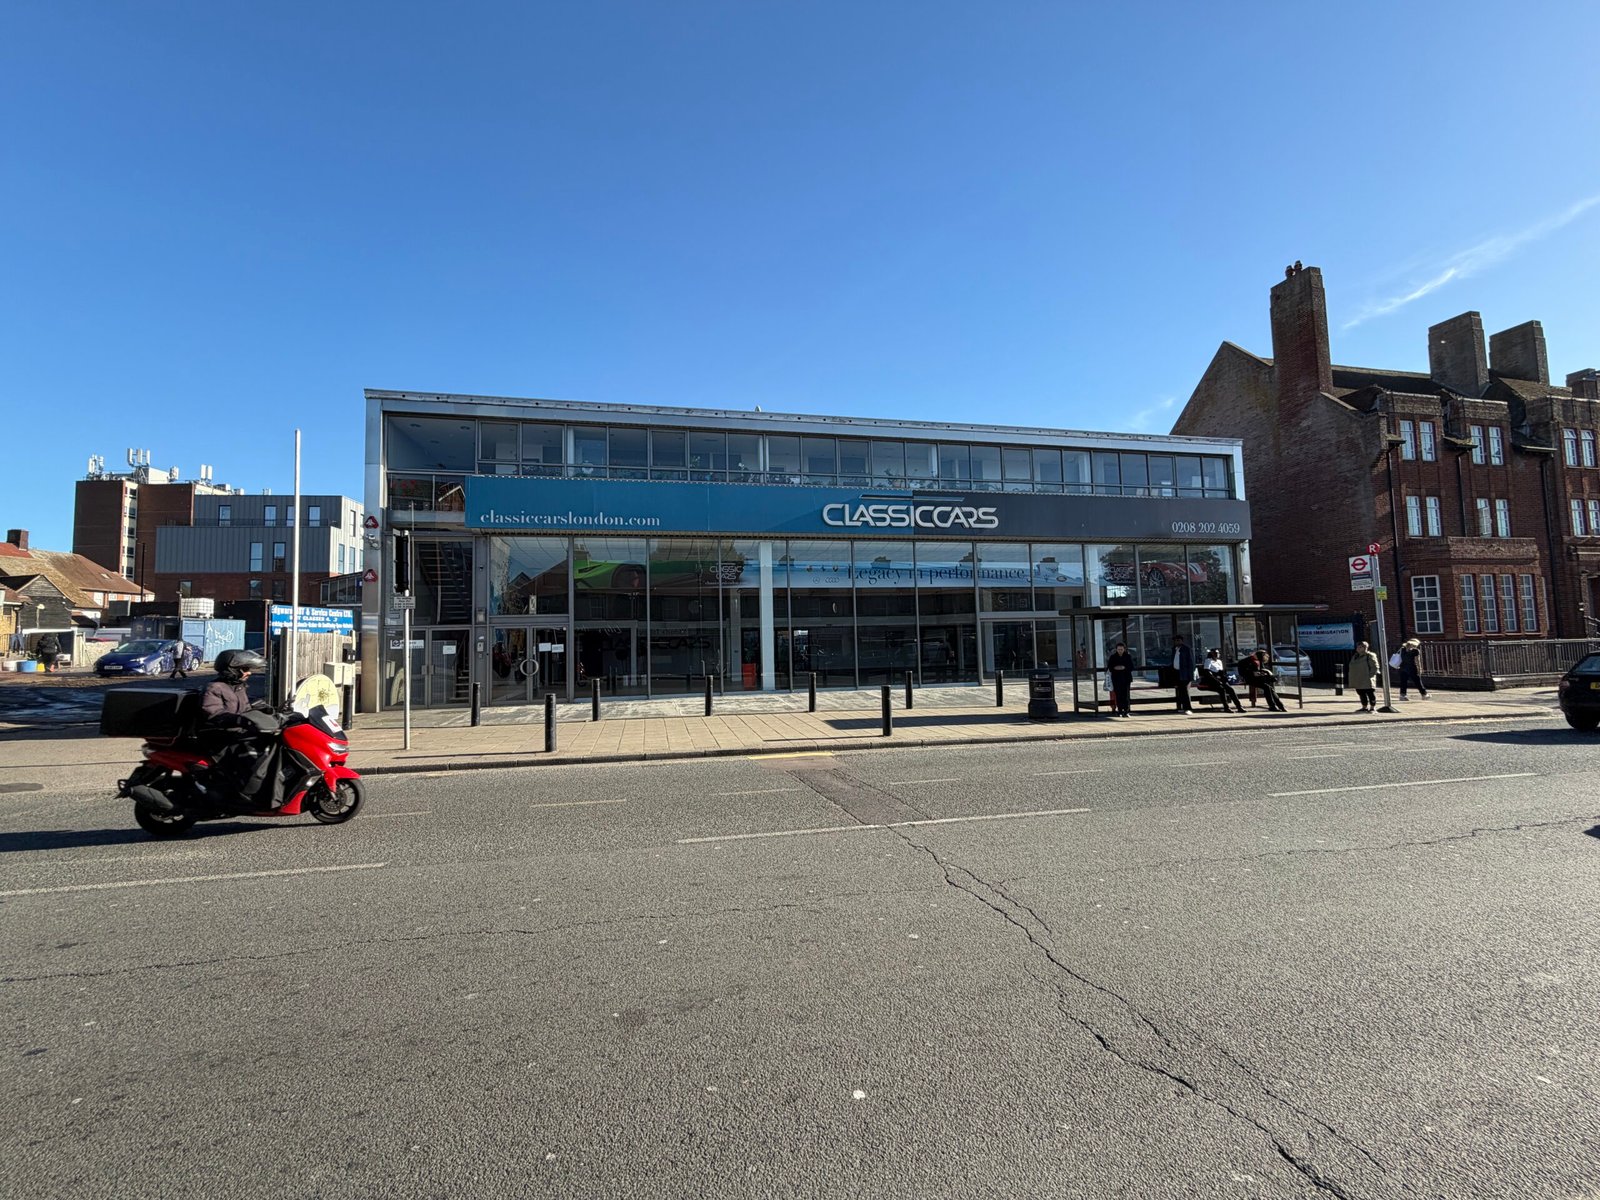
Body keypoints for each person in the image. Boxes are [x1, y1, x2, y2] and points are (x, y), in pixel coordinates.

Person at [1199, 647, 1246, 713]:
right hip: (1212, 680)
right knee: (1221, 689)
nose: (1217, 654)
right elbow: (1207, 672)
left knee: (1231, 689)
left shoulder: (1219, 661)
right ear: (1212, 654)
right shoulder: (1208, 660)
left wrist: (1225, 678)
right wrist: (1217, 680)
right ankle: (1226, 707)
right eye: (1215, 653)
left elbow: (1221, 672)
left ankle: (1239, 707)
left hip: (1220, 679)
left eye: (1218, 653)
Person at [1348, 640, 1381, 713]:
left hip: (1367, 678)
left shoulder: (1370, 655)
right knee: (1360, 692)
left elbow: (1375, 667)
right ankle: (1364, 707)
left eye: (1360, 647)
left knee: (1370, 693)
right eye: (1357, 647)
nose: (1358, 649)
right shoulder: (1355, 656)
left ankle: (1372, 708)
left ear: (1365, 648)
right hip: (1358, 678)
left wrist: (1370, 676)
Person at [1106, 641, 1135, 717]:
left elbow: (1131, 667)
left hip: (1126, 678)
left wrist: (1124, 667)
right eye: (1118, 649)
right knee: (1118, 695)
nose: (1120, 651)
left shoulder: (1128, 656)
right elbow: (1110, 667)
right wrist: (1116, 668)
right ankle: (1119, 711)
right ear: (1116, 649)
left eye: (1121, 649)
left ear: (1124, 649)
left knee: (1125, 695)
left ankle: (1126, 710)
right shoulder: (1113, 657)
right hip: (1116, 679)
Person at [1170, 634, 1195, 715]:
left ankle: (1188, 708)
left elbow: (1191, 663)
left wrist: (1190, 675)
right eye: (1175, 640)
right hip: (1177, 672)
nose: (1176, 642)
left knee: (1185, 690)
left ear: (1182, 641)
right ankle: (1182, 707)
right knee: (1180, 690)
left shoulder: (1187, 649)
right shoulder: (1174, 649)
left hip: (1185, 673)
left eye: (1178, 640)